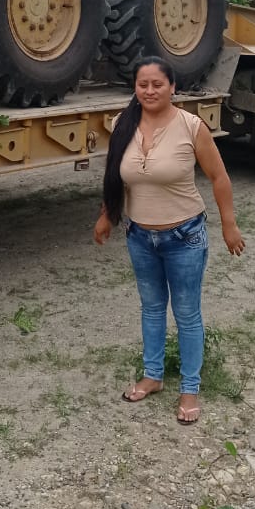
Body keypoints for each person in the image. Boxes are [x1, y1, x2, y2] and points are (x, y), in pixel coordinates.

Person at [93, 56, 244, 424]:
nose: (149, 91)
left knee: (187, 314)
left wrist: (229, 225)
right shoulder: (122, 124)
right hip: (139, 236)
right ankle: (153, 375)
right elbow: (115, 177)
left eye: (157, 84)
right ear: (135, 87)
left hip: (184, 236)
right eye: (142, 84)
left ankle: (190, 388)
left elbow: (219, 177)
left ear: (172, 87)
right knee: (151, 308)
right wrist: (106, 215)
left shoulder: (191, 126)